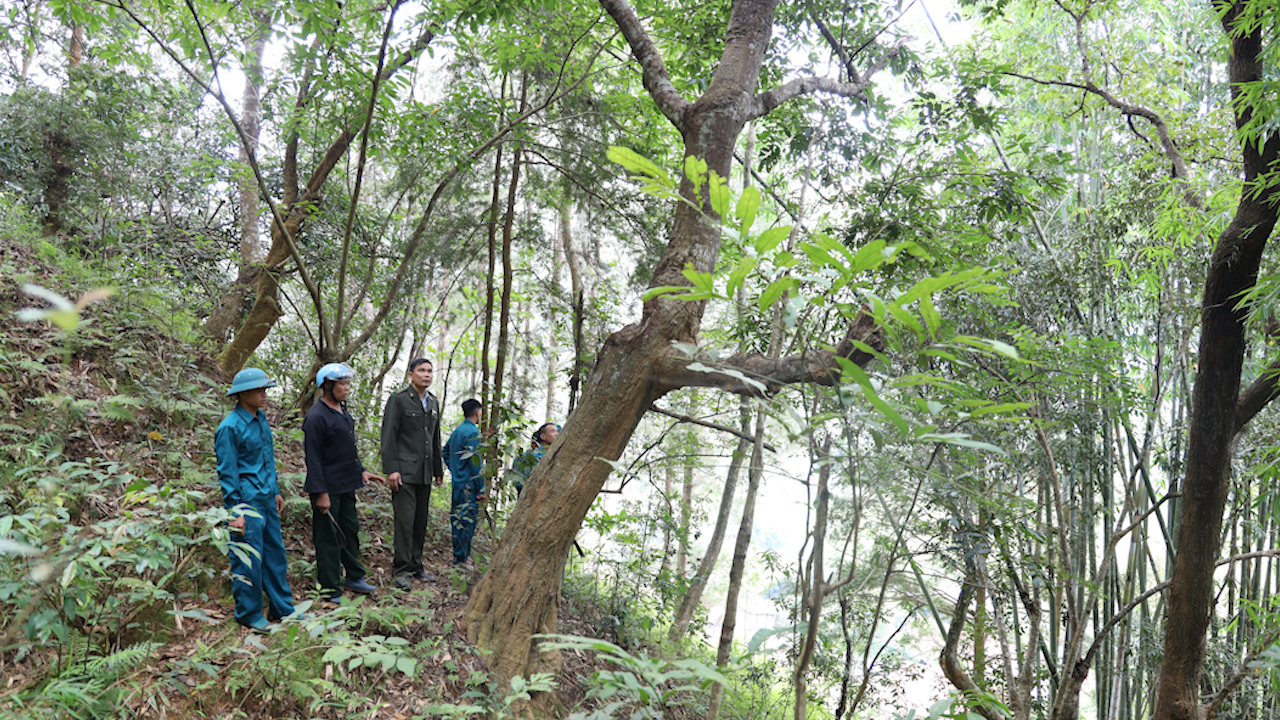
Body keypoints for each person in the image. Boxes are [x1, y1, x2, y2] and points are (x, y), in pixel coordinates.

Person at [215, 367, 296, 633]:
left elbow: (267, 460)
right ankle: (248, 614)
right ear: (242, 394)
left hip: (266, 499)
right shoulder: (229, 428)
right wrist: (234, 512)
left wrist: (275, 491)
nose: (265, 394)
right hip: (246, 503)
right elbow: (228, 472)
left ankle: (282, 608)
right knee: (248, 559)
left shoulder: (261, 420)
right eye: (260, 390)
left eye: (265, 389)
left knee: (275, 555)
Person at [303, 363, 381, 603]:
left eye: (348, 384)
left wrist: (362, 471)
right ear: (327, 386)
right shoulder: (316, 417)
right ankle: (329, 588)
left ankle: (354, 577)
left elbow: (347, 450)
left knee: (350, 530)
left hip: (347, 484)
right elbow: (313, 459)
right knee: (328, 538)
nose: (347, 388)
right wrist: (321, 493)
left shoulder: (342, 411)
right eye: (342, 384)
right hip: (327, 488)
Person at [380, 358, 444, 589]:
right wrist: (392, 470)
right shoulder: (398, 400)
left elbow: (435, 438)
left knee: (420, 522)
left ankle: (416, 566)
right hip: (404, 472)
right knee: (405, 522)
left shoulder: (434, 402)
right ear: (411, 374)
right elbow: (388, 436)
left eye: (429, 371)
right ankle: (400, 569)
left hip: (425, 472)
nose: (426, 375)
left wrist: (438, 469)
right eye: (421, 371)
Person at [445, 398, 486, 566]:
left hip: (458, 483)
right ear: (477, 413)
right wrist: (481, 488)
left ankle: (460, 555)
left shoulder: (458, 431)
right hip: (468, 486)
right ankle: (461, 559)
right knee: (466, 520)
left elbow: (445, 452)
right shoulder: (472, 432)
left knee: (457, 518)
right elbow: (475, 463)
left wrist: (455, 470)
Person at [511, 422, 559, 495]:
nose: (556, 434)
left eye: (557, 431)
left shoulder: (557, 454)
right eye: (552, 431)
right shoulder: (532, 455)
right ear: (543, 436)